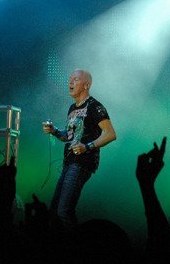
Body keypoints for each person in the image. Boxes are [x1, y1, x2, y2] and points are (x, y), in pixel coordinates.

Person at [42, 69, 116, 231]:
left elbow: (110, 134)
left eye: (75, 79)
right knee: (54, 211)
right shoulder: (72, 108)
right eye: (70, 79)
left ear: (86, 85)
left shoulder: (95, 106)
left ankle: (77, 243)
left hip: (82, 163)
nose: (70, 82)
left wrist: (87, 146)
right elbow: (69, 137)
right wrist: (54, 131)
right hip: (69, 162)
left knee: (64, 211)